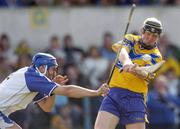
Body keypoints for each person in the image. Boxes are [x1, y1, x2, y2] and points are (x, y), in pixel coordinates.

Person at [0, 52, 109, 129]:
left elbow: (46, 107)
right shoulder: (33, 75)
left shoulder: (32, 78)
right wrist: (96, 92)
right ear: (42, 68)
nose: (54, 73)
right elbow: (68, 91)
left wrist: (53, 88)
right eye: (53, 69)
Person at [95, 17, 163, 129]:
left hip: (135, 97)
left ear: (158, 37)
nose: (150, 38)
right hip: (114, 93)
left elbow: (147, 75)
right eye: (148, 33)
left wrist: (136, 70)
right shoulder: (130, 39)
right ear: (142, 31)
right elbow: (122, 50)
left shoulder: (156, 56)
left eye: (154, 36)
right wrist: (126, 62)